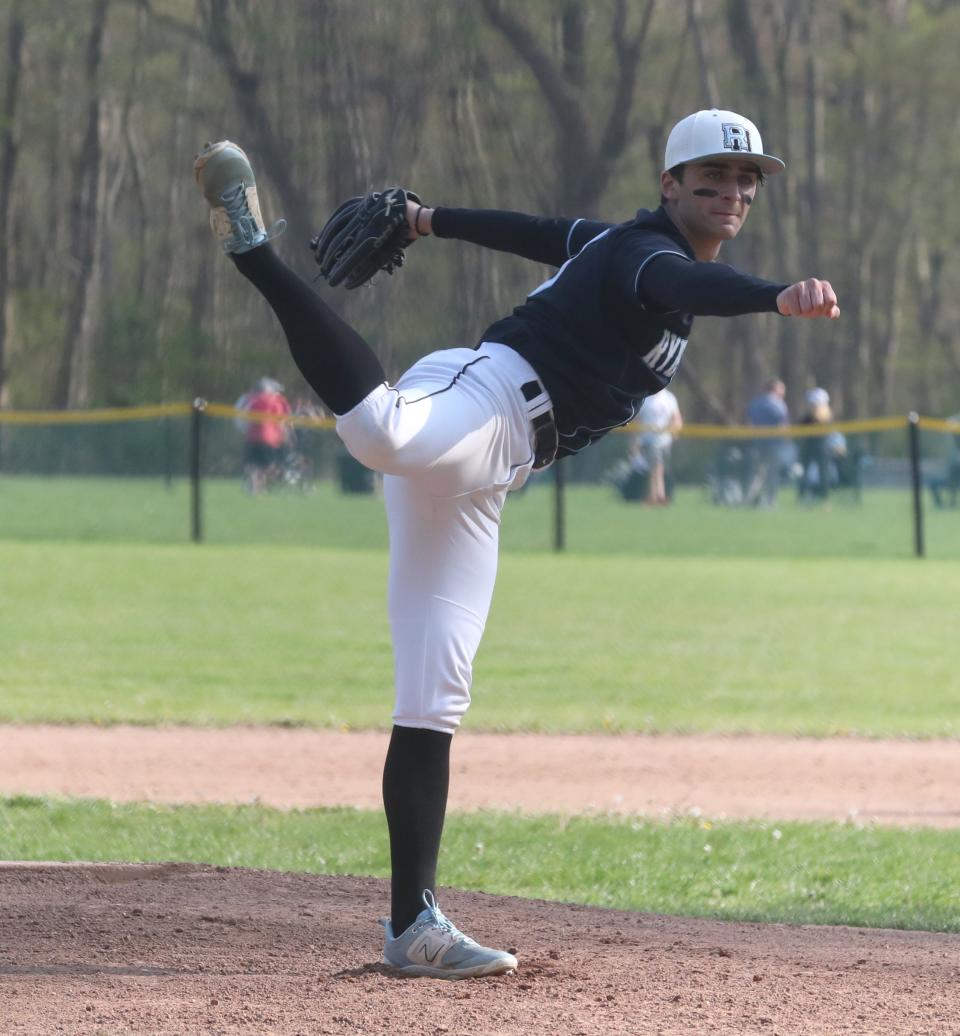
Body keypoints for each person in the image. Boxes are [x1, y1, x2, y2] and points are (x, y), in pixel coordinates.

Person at [193, 107, 840, 979]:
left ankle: (411, 926)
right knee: (381, 434)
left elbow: (540, 235)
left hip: (494, 471)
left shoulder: (617, 244)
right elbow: (688, 288)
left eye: (746, 179)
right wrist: (773, 295)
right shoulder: (650, 257)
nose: (732, 192)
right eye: (712, 177)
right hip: (484, 396)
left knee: (435, 691)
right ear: (670, 184)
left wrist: (427, 218)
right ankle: (252, 249)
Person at [238, 377, 291, 494]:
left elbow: (246, 419)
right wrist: (286, 436)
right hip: (269, 438)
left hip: (252, 437)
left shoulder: (254, 400)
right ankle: (259, 486)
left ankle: (255, 488)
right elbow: (280, 422)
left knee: (254, 465)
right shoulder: (275, 402)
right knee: (269, 465)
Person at [744, 377, 790, 507]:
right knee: (772, 474)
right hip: (774, 445)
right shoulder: (779, 404)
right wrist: (787, 441)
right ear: (775, 389)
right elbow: (783, 426)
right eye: (782, 389)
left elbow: (749, 424)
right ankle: (770, 501)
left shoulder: (756, 402)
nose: (783, 392)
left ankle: (748, 499)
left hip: (757, 443)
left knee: (756, 474)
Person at [632, 387, 683, 504]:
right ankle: (657, 495)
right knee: (656, 467)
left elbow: (676, 419)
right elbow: (638, 420)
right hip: (649, 440)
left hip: (665, 441)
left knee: (658, 468)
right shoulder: (646, 398)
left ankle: (656, 495)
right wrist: (635, 441)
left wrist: (674, 431)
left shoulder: (669, 398)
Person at [796, 387, 835, 504]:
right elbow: (799, 427)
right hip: (807, 448)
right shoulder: (806, 418)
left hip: (822, 448)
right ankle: (801, 497)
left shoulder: (826, 416)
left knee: (824, 473)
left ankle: (824, 499)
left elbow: (825, 424)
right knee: (802, 472)